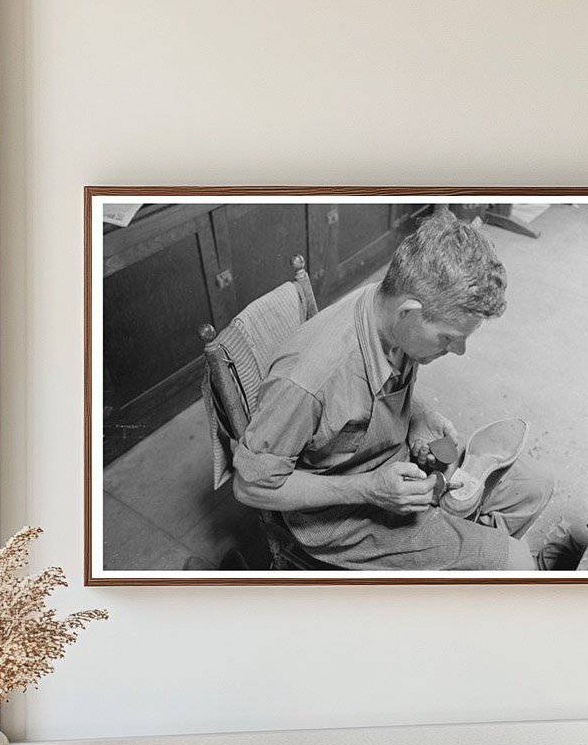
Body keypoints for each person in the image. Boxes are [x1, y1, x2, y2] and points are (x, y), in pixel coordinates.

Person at [232, 210, 555, 570]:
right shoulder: (308, 379)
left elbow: (370, 392)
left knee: (535, 486)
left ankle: (459, 554)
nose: (458, 351)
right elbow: (250, 488)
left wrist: (418, 414)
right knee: (515, 562)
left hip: (389, 464)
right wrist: (369, 489)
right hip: (343, 519)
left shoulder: (386, 307)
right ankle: (462, 559)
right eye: (449, 338)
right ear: (409, 312)